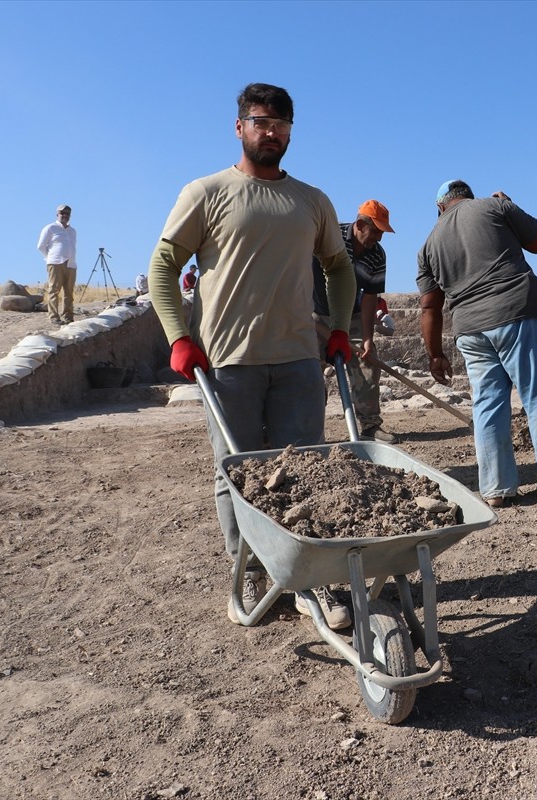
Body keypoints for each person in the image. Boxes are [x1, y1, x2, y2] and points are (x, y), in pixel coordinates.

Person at [147, 82, 357, 628]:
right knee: (236, 473)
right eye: (261, 122)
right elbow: (164, 267)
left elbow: (338, 267)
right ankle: (253, 571)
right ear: (239, 127)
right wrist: (178, 336)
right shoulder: (207, 192)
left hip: (296, 361)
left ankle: (313, 580)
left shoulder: (312, 201)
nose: (272, 133)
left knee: (306, 471)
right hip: (227, 362)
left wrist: (338, 328)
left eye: (282, 124)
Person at [417, 180, 537, 508]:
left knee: (487, 406)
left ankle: (497, 490)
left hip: (470, 331)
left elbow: (429, 306)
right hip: (515, 314)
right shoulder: (494, 206)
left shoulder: (428, 244)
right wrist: (512, 206)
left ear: (440, 208)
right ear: (467, 198)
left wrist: (435, 355)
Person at [312, 199, 399, 443]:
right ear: (360, 224)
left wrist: (368, 339)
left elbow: (371, 298)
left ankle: (370, 426)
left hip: (353, 314)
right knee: (310, 372)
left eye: (382, 233)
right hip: (316, 313)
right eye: (375, 232)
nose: (378, 239)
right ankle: (312, 431)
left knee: (367, 366)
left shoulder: (377, 255)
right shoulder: (330, 235)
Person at [36, 204, 77, 325]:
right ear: (57, 214)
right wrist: (50, 257)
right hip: (55, 263)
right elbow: (41, 246)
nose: (65, 215)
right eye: (62, 213)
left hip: (71, 264)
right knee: (54, 290)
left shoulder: (72, 231)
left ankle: (68, 316)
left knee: (69, 291)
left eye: (67, 213)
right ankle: (54, 317)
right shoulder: (50, 228)